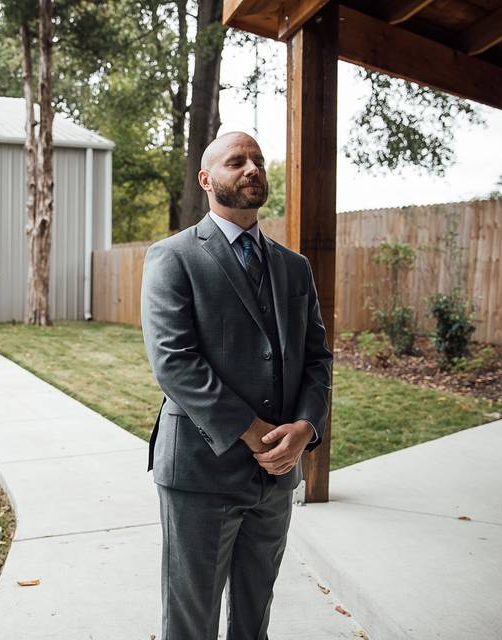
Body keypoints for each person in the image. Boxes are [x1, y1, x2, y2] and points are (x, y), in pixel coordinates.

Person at [140, 131, 333, 640]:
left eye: (258, 161)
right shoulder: (173, 256)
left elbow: (317, 359)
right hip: (201, 474)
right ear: (207, 179)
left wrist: (307, 428)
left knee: (255, 616)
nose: (252, 169)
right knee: (192, 620)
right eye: (236, 161)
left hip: (275, 478)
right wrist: (252, 432)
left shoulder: (294, 267)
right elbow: (173, 362)